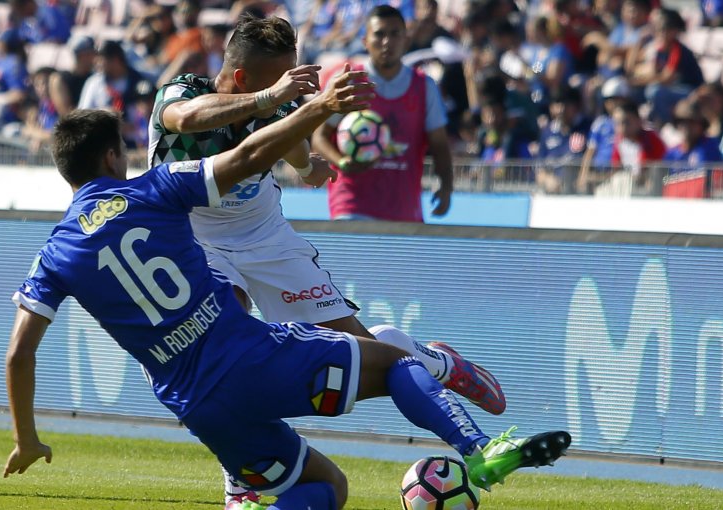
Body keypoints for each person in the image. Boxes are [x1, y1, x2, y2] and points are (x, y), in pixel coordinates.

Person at [2, 105, 570, 510]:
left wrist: (27, 438)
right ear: (111, 155)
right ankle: (481, 448)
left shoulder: (54, 254)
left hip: (199, 406)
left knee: (321, 489)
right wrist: (316, 107)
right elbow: (249, 153)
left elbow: (18, 356)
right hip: (251, 356)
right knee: (395, 361)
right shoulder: (153, 189)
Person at [148, 15, 505, 508]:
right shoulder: (179, 92)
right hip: (197, 238)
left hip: (265, 235)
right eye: (278, 81)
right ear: (247, 80)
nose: (288, 89)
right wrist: (273, 101)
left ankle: (437, 363)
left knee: (362, 347)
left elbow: (289, 134)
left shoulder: (277, 98)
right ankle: (243, 478)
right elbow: (190, 118)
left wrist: (306, 163)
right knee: (222, 348)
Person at [312, 5, 453, 222]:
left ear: (406, 40)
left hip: (403, 209)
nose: (387, 42)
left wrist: (446, 186)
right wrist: (341, 162)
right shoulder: (348, 81)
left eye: (395, 34)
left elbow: (440, 144)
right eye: (379, 34)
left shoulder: (424, 86)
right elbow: (319, 136)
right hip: (351, 204)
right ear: (365, 41)